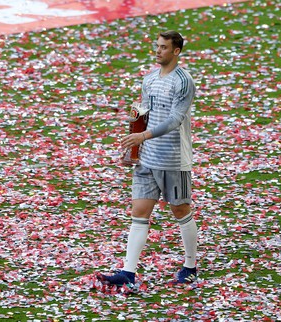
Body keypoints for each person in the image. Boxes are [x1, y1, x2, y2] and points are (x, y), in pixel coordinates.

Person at [98, 30, 197, 286]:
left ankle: (190, 265)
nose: (157, 51)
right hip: (147, 158)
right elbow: (144, 116)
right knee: (139, 211)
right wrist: (133, 148)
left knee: (180, 210)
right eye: (157, 46)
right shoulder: (149, 79)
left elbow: (176, 119)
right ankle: (127, 273)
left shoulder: (183, 81)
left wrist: (143, 137)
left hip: (173, 158)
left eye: (163, 47)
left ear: (176, 51)